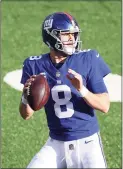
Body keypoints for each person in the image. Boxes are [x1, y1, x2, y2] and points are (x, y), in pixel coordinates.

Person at [19, 12, 111, 168]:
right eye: (66, 34)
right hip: (56, 143)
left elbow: (105, 106)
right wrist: (25, 96)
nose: (72, 39)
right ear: (51, 36)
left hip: (88, 143)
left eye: (74, 34)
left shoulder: (88, 59)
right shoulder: (34, 65)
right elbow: (26, 115)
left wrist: (82, 89)